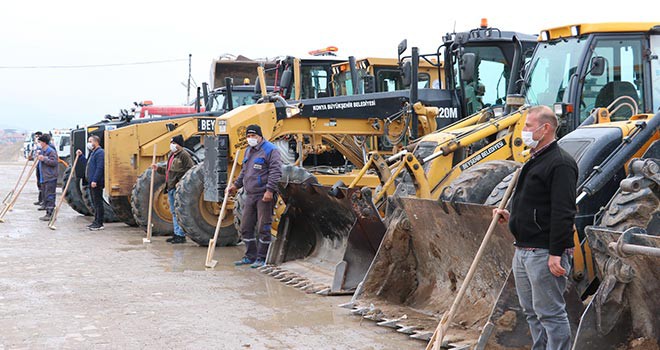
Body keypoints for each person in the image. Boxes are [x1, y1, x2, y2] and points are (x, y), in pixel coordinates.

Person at [493, 105, 578, 350]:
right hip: (524, 251)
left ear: (545, 128)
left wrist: (556, 253)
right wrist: (512, 217)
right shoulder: (534, 160)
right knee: (531, 312)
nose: (524, 131)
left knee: (550, 314)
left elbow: (564, 212)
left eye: (528, 126)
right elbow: (537, 205)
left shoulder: (560, 163)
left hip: (543, 253)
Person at [226, 124, 282, 268]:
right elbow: (245, 172)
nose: (250, 139)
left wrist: (269, 191)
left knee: (263, 227)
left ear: (260, 136)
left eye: (253, 136)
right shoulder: (248, 151)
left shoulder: (271, 150)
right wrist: (235, 186)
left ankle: (262, 258)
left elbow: (276, 172)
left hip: (264, 195)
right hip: (250, 194)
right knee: (246, 226)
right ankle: (250, 256)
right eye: (248, 136)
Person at [152, 135, 194, 244]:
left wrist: (181, 182)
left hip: (177, 188)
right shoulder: (172, 155)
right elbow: (168, 171)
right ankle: (176, 233)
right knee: (174, 212)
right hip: (170, 187)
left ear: (179, 144)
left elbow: (191, 170)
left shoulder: (184, 155)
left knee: (177, 211)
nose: (172, 145)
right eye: (171, 143)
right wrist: (158, 169)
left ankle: (180, 235)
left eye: (174, 143)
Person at [76, 135, 105, 231]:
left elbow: (100, 168)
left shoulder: (100, 153)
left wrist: (95, 180)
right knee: (94, 203)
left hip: (96, 182)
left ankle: (99, 223)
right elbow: (87, 164)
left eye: (90, 141)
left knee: (98, 203)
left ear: (96, 142)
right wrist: (81, 156)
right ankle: (95, 221)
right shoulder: (93, 153)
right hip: (91, 181)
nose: (89, 143)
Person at [36, 134, 59, 221]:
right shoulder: (42, 150)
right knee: (45, 195)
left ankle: (50, 213)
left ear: (44, 142)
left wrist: (44, 159)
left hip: (50, 177)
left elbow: (54, 162)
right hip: (44, 177)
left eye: (40, 142)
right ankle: (47, 211)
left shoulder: (51, 151)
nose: (40, 143)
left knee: (50, 196)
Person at [32, 131, 44, 207]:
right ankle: (40, 200)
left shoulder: (43, 146)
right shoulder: (37, 145)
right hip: (38, 165)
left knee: (42, 183)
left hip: (42, 166)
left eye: (38, 136)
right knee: (39, 183)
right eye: (36, 136)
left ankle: (43, 201)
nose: (36, 138)